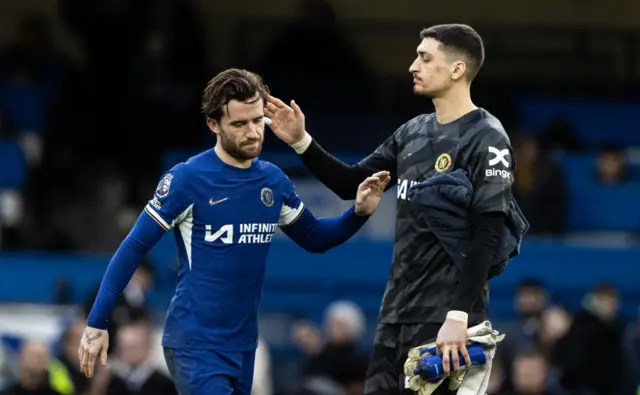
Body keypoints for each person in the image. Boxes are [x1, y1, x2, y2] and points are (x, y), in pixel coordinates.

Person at [78, 68, 390, 395]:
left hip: (243, 346)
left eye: (257, 121)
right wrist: (97, 322)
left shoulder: (272, 180)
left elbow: (315, 237)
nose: (253, 132)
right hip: (195, 343)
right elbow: (134, 247)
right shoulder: (187, 180)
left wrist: (357, 213)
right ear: (214, 125)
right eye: (239, 124)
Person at [265, 24, 514, 395]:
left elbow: (489, 234)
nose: (413, 65)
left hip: (446, 318)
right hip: (395, 313)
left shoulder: (487, 136)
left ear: (457, 69)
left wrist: (458, 316)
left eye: (425, 58)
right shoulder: (412, 132)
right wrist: (301, 141)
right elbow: (352, 184)